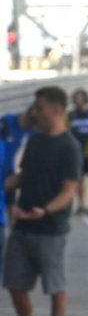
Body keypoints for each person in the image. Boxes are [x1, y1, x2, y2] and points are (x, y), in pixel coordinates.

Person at [4, 86, 82, 316]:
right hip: (23, 224)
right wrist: (7, 188)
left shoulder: (69, 147)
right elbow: (23, 176)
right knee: (15, 284)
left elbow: (68, 190)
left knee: (55, 288)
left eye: (39, 108)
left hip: (51, 229)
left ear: (56, 110)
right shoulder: (35, 141)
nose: (34, 113)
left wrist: (45, 210)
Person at [0, 103, 35, 274]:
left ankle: (14, 240)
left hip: (9, 172)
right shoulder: (7, 121)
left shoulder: (33, 131)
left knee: (12, 206)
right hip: (4, 170)